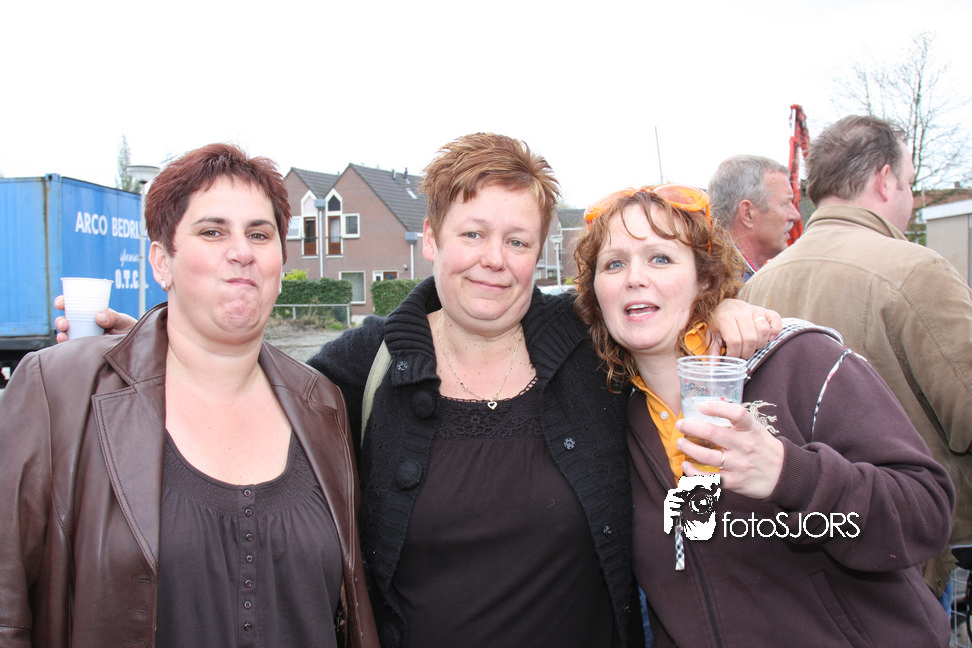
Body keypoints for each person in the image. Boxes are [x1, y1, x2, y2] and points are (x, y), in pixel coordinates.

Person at [54, 134, 779, 648]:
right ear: (430, 238)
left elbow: (656, 318)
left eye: (517, 241)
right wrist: (151, 343)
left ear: (540, 253)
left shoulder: (590, 345)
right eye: (472, 234)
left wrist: (719, 313)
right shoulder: (362, 367)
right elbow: (245, 379)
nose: (494, 261)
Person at [0, 143, 379, 647]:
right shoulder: (59, 390)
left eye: (259, 234)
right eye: (212, 231)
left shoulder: (322, 403)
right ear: (162, 262)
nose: (241, 251)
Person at [572, 183, 953, 646]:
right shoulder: (611, 416)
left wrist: (792, 476)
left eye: (660, 258)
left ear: (705, 279)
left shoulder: (800, 361)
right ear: (595, 292)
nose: (634, 277)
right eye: (614, 264)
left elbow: (926, 512)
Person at [741, 114, 972, 607]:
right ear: (885, 180)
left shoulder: (758, 285)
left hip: (795, 553)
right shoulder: (917, 270)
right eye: (909, 184)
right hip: (905, 549)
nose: (910, 198)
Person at [708, 155, 801, 280]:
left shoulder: (715, 275)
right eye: (785, 204)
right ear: (748, 214)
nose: (795, 215)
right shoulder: (733, 286)